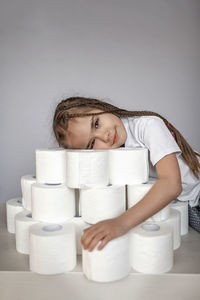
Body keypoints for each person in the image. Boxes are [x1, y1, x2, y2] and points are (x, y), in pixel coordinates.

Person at [53, 96, 200, 251]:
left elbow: (171, 184)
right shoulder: (111, 155)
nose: (105, 136)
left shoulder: (148, 126)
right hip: (182, 205)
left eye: (96, 124)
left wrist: (120, 223)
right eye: (92, 143)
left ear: (100, 106)